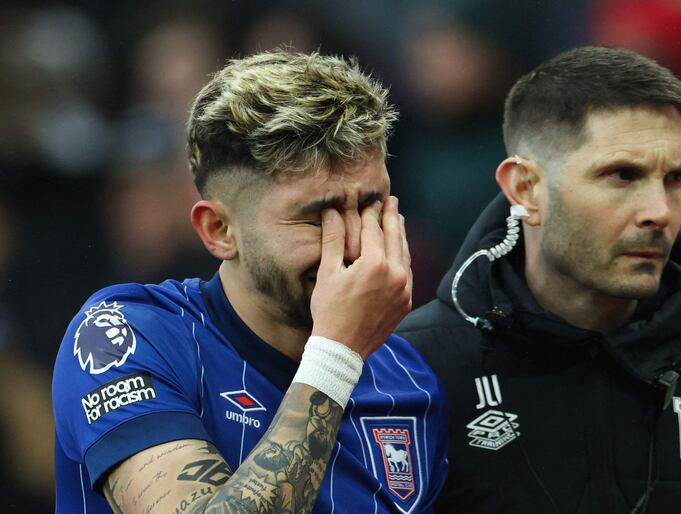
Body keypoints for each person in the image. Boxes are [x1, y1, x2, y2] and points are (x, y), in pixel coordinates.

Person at [53, 50, 448, 514]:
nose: (357, 245)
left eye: (371, 205)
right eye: (317, 218)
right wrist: (336, 356)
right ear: (219, 231)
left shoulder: (411, 382)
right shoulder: (124, 338)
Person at [397, 46, 681, 513]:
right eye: (621, 175)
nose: (659, 212)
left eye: (676, 178)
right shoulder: (410, 372)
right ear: (525, 188)